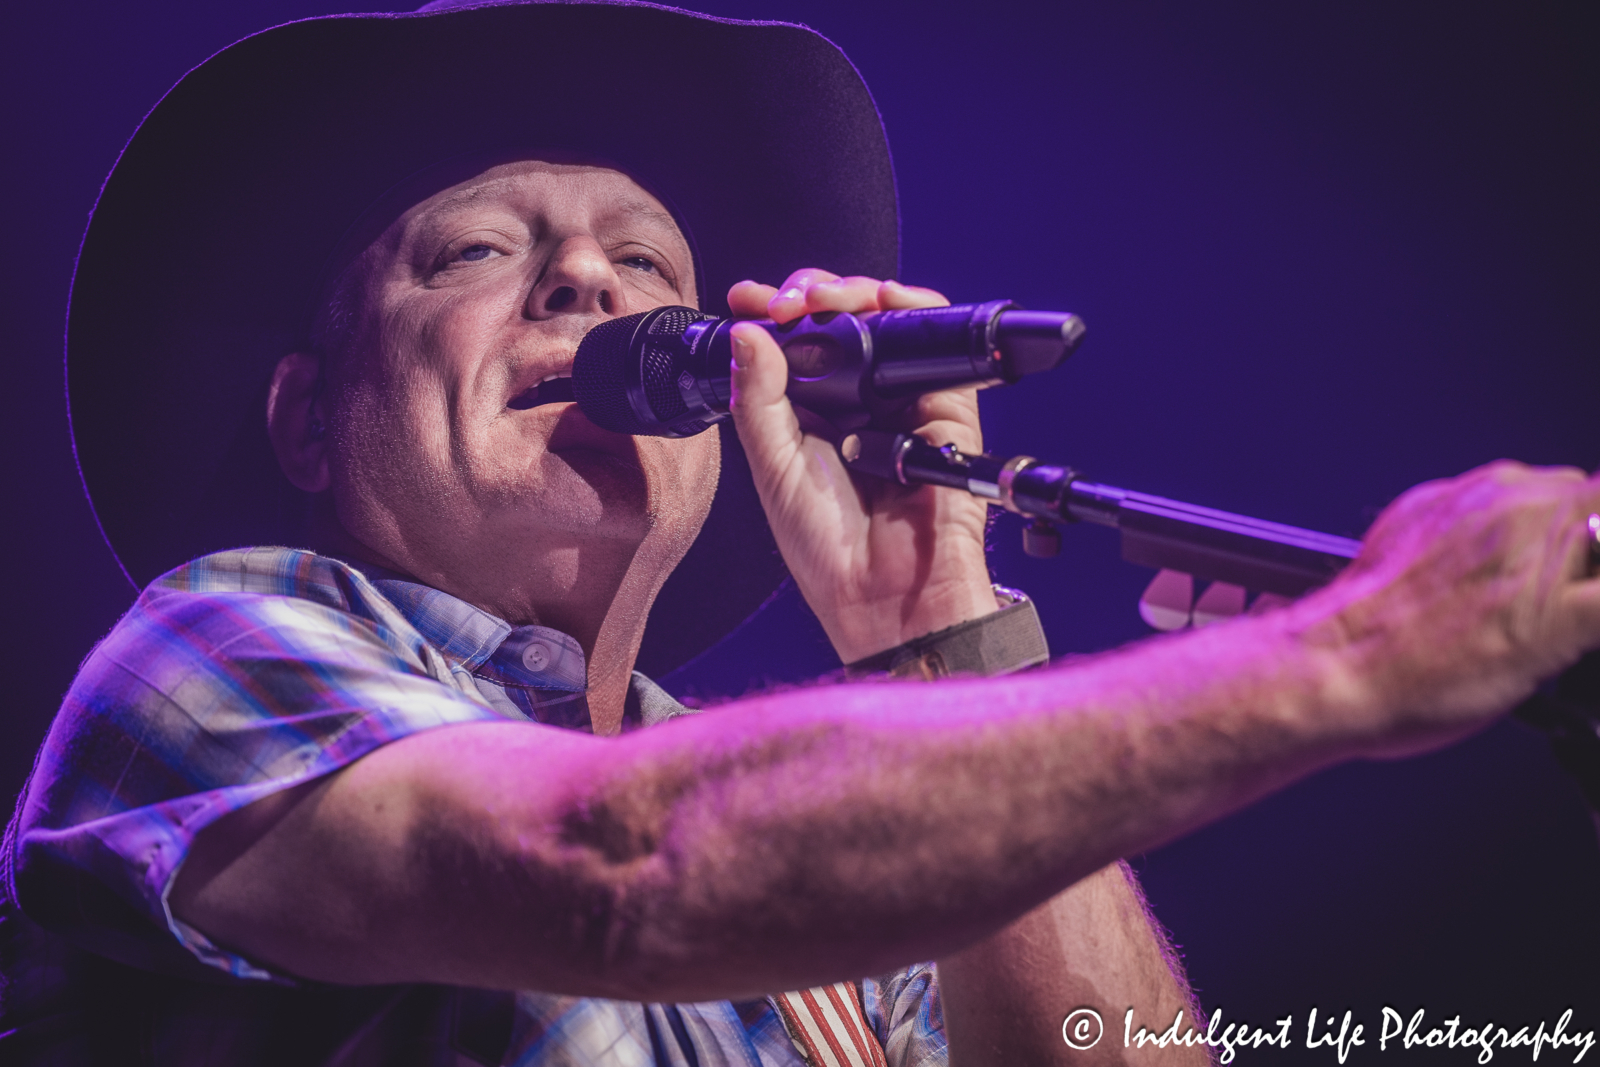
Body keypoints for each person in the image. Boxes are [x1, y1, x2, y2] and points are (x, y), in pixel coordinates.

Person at [3, 2, 1597, 1065]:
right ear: (304, 420)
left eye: (649, 264)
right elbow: (610, 864)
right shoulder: (212, 645)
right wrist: (1360, 656)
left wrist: (939, 648)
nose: (596, 288)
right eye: (480, 249)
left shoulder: (830, 852)